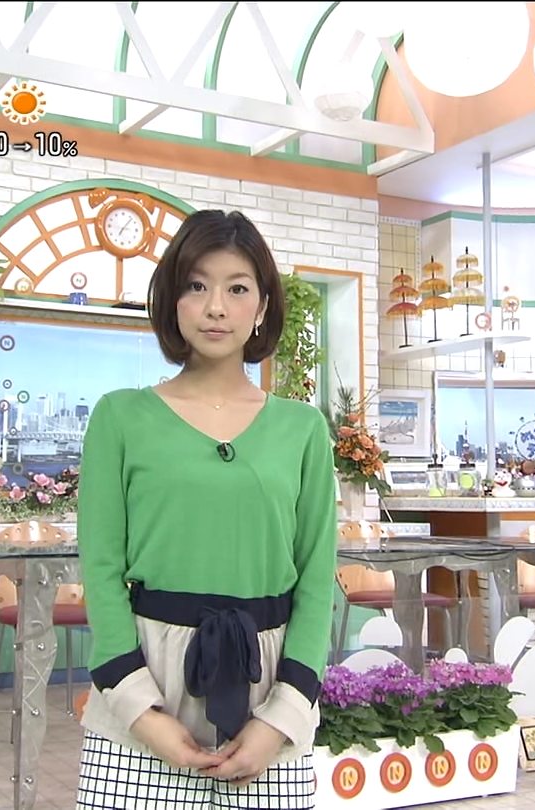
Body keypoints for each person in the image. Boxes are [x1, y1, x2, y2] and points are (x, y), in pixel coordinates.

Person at [74, 209, 338, 809]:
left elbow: (317, 579)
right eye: (196, 286)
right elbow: (102, 571)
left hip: (269, 699)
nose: (216, 307)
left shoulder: (302, 429)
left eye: (237, 288)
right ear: (173, 300)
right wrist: (141, 711)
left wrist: (282, 717)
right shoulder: (120, 417)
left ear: (262, 306)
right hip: (144, 693)